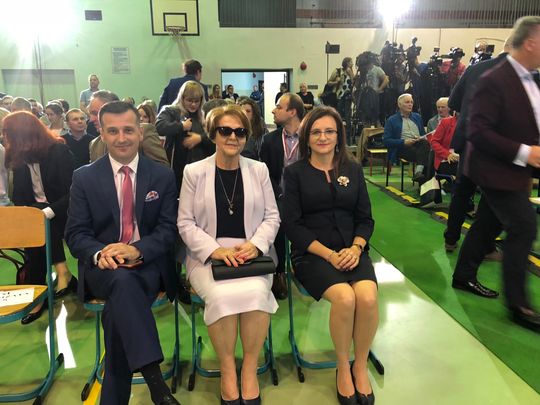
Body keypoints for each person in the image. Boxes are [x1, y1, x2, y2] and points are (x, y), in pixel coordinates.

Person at [64, 101, 181, 405]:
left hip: (148, 265)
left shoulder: (162, 176)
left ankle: (120, 397)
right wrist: (99, 253)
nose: (121, 138)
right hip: (104, 268)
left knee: (119, 306)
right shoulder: (84, 178)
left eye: (128, 130)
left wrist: (136, 250)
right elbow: (75, 234)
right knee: (122, 282)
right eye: (113, 131)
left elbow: (169, 230)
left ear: (140, 133)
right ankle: (157, 385)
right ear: (101, 134)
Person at [178, 104, 279, 405]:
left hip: (252, 255)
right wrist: (216, 250)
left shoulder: (259, 170)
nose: (233, 137)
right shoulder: (194, 172)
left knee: (256, 293)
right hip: (207, 256)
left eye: (240, 132)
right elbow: (185, 223)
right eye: (225, 130)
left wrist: (256, 245)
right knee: (221, 297)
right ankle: (227, 370)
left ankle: (248, 369)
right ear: (213, 134)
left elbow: (272, 217)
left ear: (246, 136)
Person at [283, 106, 378, 405]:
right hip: (312, 254)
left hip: (352, 251)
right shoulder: (294, 173)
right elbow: (292, 226)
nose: (322, 137)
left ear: (339, 136)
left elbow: (366, 219)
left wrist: (356, 248)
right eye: (316, 132)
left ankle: (359, 365)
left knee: (367, 297)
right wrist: (329, 255)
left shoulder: (353, 170)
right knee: (345, 298)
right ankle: (342, 367)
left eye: (329, 131)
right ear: (306, 137)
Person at [452, 16, 540, 332]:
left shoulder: (530, 79)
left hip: (514, 169)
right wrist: (525, 152)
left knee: (489, 222)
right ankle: (519, 305)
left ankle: (463, 275)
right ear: (530, 42)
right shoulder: (495, 79)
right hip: (495, 169)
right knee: (524, 226)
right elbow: (478, 131)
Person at [3, 112, 77, 323]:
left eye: (8, 134)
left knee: (41, 220)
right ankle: (62, 271)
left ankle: (38, 296)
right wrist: (31, 214)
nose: (5, 138)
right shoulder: (20, 158)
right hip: (39, 216)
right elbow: (19, 196)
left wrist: (45, 212)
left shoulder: (59, 151)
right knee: (37, 223)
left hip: (65, 212)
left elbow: (74, 192)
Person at [443, 39, 511, 252]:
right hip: (496, 144)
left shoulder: (475, 69)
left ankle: (451, 239)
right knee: (491, 197)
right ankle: (484, 247)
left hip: (468, 139)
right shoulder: (520, 74)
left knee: (462, 192)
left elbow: (453, 102)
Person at [260, 93, 305, 300]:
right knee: (275, 225)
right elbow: (265, 172)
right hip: (277, 195)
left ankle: (302, 265)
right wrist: (278, 192)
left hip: (305, 196)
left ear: (292, 112)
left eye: (279, 107)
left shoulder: (311, 137)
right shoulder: (269, 140)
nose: (273, 110)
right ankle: (279, 273)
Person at [156, 80, 215, 190]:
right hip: (177, 169)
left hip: (201, 170)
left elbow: (215, 137)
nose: (193, 104)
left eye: (196, 101)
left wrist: (200, 138)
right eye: (189, 100)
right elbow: (159, 126)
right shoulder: (171, 111)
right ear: (182, 98)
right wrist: (181, 126)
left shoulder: (204, 115)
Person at [89, 90, 168, 165]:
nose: (91, 119)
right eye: (91, 113)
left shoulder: (145, 132)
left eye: (96, 113)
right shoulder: (94, 144)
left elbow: (161, 168)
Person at [383, 93, 429, 182]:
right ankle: (425, 184)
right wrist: (403, 142)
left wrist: (420, 137)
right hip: (402, 148)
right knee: (428, 156)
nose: (410, 104)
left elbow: (423, 135)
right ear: (399, 105)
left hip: (419, 146)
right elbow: (386, 141)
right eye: (407, 102)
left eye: (411, 102)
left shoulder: (417, 117)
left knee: (425, 147)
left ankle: (419, 174)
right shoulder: (391, 120)